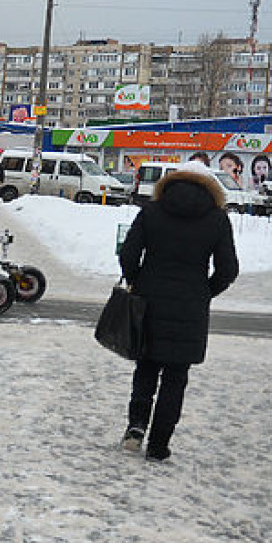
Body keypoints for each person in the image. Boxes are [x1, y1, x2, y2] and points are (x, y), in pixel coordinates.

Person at [117, 162, 238, 461]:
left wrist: (136, 281)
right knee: (176, 377)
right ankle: (159, 444)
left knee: (145, 367)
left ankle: (135, 426)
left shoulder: (152, 210)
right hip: (190, 305)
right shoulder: (217, 219)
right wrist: (204, 292)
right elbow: (228, 269)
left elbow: (129, 253)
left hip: (148, 301)